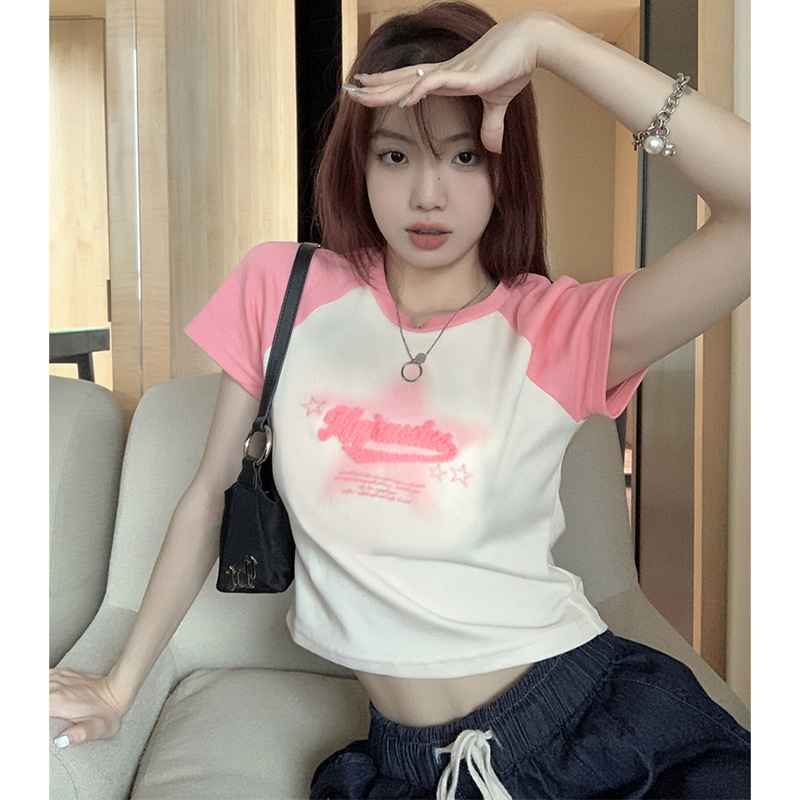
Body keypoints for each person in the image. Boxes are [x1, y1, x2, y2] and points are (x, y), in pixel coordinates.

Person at [49, 2, 751, 798]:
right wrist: (118, 687)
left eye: (464, 157)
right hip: (409, 764)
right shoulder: (283, 289)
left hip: (585, 725)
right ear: (360, 164)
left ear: (507, 168)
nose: (427, 194)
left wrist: (553, 42)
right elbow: (209, 497)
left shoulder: (557, 327)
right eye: (395, 155)